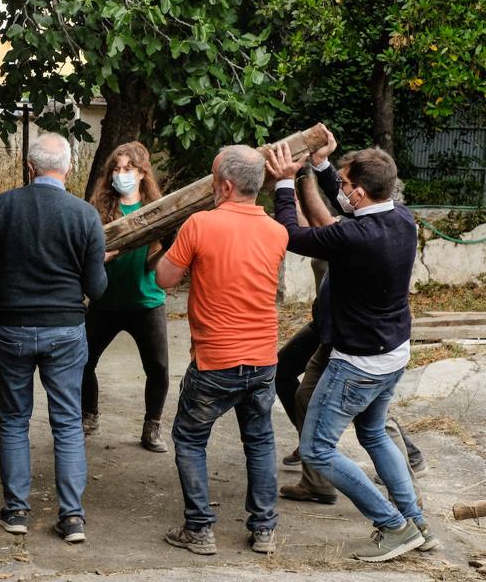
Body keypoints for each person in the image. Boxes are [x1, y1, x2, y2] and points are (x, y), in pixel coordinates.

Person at [266, 129, 438, 562]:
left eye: (345, 187)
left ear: (360, 193)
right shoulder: (401, 218)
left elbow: (292, 235)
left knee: (318, 450)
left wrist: (286, 182)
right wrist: (324, 166)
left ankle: (392, 525)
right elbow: (351, 203)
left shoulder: (355, 239)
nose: (341, 192)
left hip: (357, 364)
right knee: (374, 433)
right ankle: (416, 520)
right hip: (393, 352)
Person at [0, 133, 109, 544]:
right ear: (65, 169)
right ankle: (73, 518)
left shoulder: (2, 207)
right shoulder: (84, 215)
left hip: (11, 327)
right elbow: (96, 288)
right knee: (66, 423)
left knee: (13, 419)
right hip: (65, 329)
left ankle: (16, 511)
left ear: (29, 168)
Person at [155, 145, 288, 556]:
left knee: (190, 438)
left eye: (214, 180)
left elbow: (164, 279)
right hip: (264, 356)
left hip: (216, 359)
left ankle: (199, 529)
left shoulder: (199, 225)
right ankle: (264, 529)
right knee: (261, 440)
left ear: (225, 185)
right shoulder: (277, 230)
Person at [83, 141, 171, 452]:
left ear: (142, 173)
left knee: (158, 368)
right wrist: (101, 258)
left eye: (128, 169)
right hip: (105, 300)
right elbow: (87, 256)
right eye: (116, 169)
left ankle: (152, 426)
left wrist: (163, 251)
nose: (121, 174)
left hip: (146, 301)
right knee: (84, 360)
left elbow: (154, 263)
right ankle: (89, 414)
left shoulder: (156, 211)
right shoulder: (99, 210)